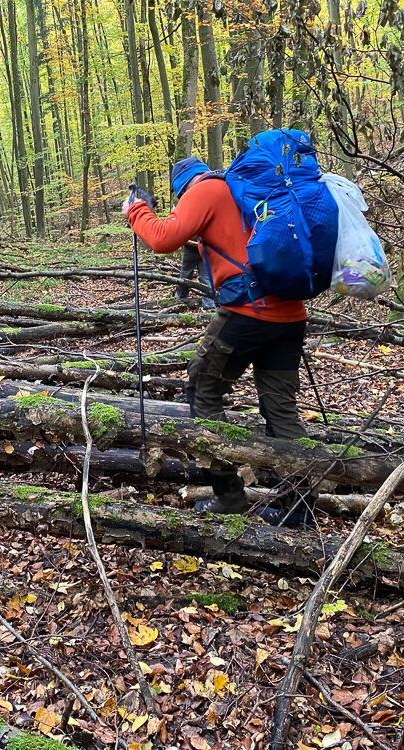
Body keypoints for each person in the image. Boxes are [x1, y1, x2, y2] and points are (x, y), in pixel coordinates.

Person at [122, 157, 312, 522]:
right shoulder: (243, 192)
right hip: (290, 314)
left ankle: (229, 495)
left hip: (248, 312)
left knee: (201, 391)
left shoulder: (205, 191)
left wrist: (137, 210)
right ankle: (300, 508)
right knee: (280, 408)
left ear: (180, 189)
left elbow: (162, 239)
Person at [177, 242, 216, 309]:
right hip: (202, 249)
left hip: (197, 249)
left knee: (186, 274)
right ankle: (209, 303)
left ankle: (181, 296)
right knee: (205, 277)